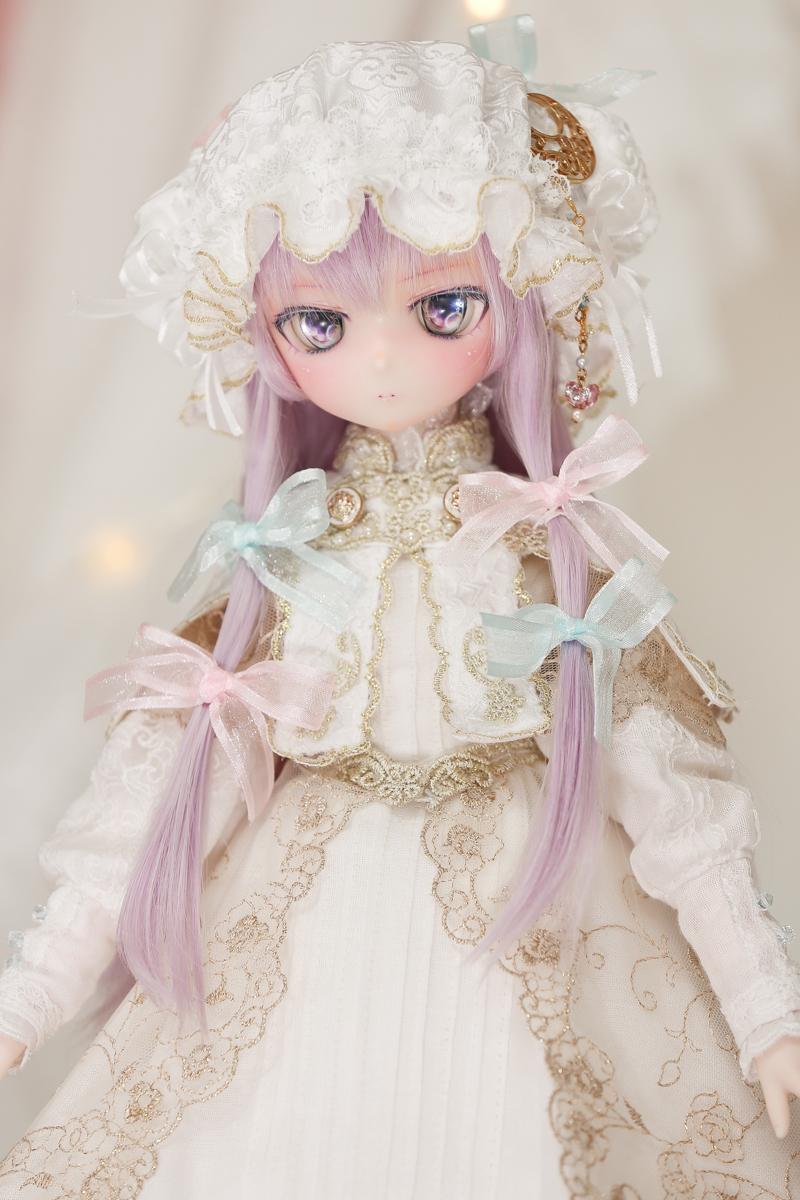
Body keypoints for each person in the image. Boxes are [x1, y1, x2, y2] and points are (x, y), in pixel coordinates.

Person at [1, 38, 799, 1199]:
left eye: (441, 307)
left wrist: (766, 1009)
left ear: (519, 298)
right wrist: (30, 995)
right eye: (319, 324)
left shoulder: (542, 559)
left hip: (534, 917)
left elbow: (673, 796)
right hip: (298, 930)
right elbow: (149, 801)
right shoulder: (286, 565)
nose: (380, 358)